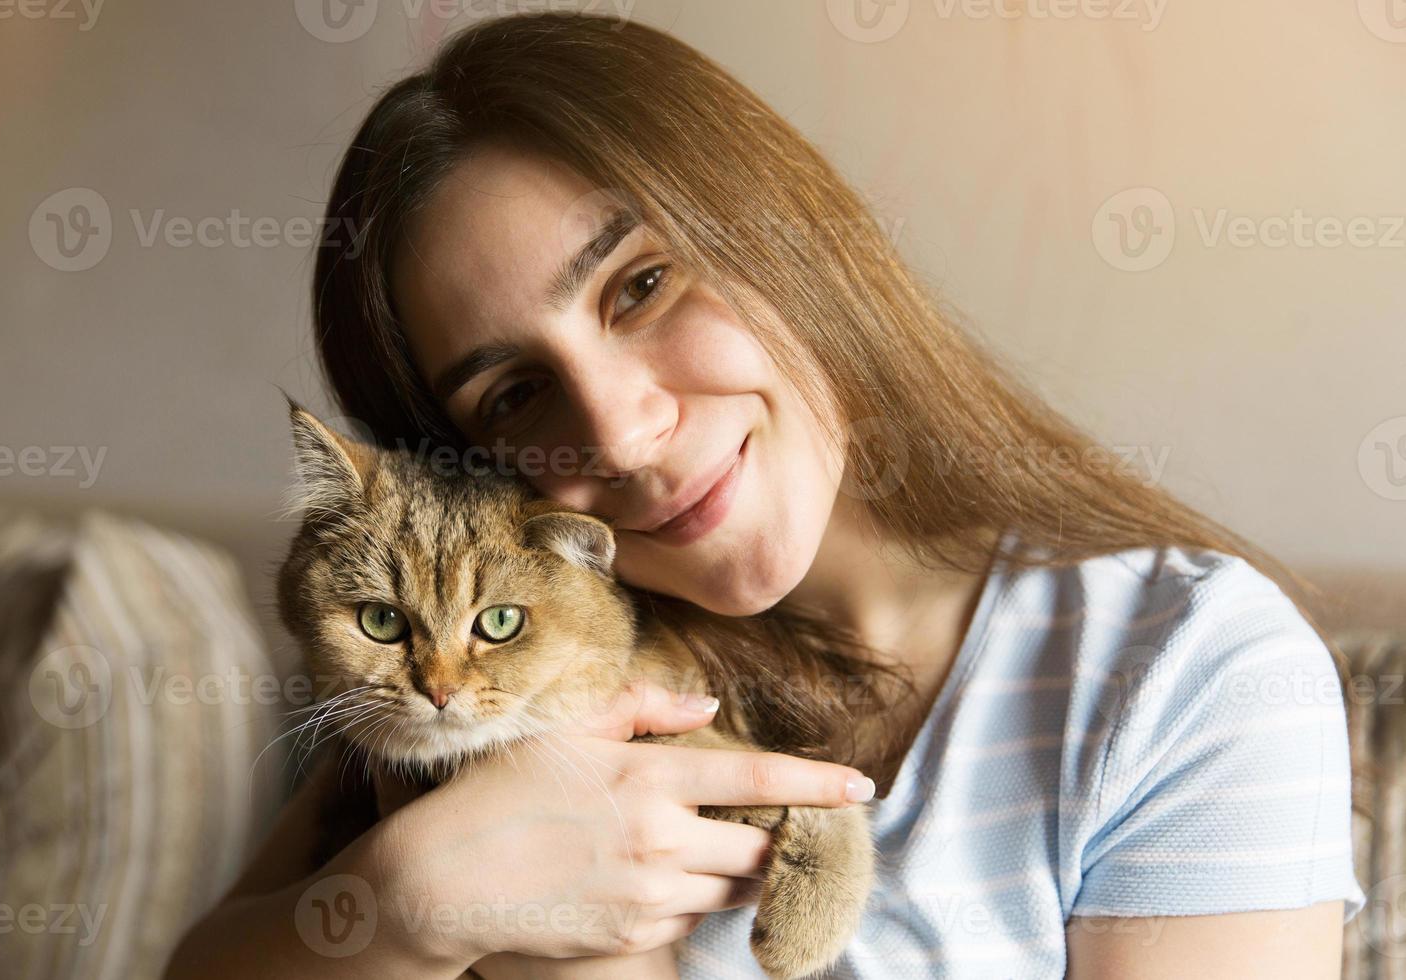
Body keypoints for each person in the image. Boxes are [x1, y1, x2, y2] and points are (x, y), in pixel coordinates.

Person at [168, 11, 1365, 978]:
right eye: (517, 395)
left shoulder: (1186, 667)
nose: (625, 426)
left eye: (640, 285)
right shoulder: (490, 679)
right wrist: (406, 908)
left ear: (788, 233)